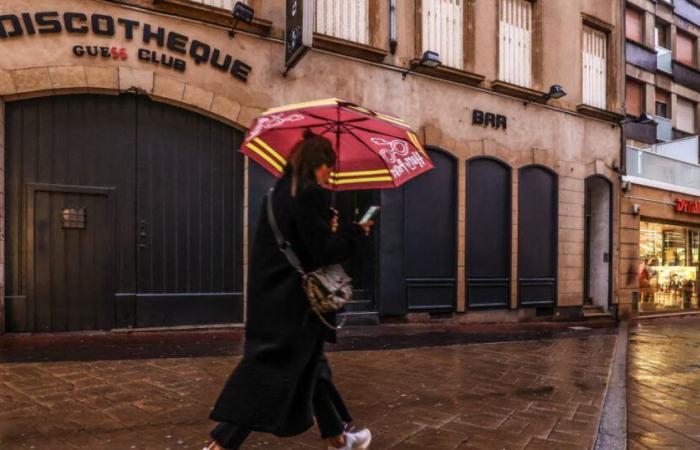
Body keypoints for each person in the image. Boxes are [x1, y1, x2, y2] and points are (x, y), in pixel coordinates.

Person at [206, 130, 373, 450]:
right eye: (329, 166)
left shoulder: (278, 192)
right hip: (295, 306)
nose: (331, 173)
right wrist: (355, 232)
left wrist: (326, 224)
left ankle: (339, 440)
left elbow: (299, 240)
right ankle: (219, 447)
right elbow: (323, 252)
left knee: (312, 368)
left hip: (273, 300)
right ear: (317, 163)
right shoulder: (310, 194)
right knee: (270, 377)